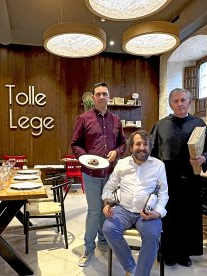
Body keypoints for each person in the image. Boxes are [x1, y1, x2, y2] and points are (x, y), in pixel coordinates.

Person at [150, 88, 207, 267]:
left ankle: (185, 253)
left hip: (190, 178)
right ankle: (167, 252)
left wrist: (204, 158)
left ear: (189, 102)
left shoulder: (198, 123)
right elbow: (151, 152)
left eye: (183, 100)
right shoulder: (160, 125)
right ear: (170, 104)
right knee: (168, 216)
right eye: (176, 101)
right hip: (167, 179)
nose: (180, 104)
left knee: (188, 217)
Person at [71, 82, 126, 267]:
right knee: (94, 211)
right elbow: (75, 144)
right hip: (91, 173)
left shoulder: (116, 121)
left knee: (107, 210)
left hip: (111, 173)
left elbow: (123, 144)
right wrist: (84, 157)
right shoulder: (83, 118)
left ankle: (103, 242)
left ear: (109, 96)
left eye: (105, 93)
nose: (102, 97)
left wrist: (117, 152)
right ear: (93, 98)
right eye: (98, 94)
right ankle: (88, 249)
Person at [102, 130, 169, 276]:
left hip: (147, 213)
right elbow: (109, 187)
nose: (142, 147)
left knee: (152, 235)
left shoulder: (158, 165)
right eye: (138, 144)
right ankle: (131, 267)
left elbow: (164, 193)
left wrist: (157, 213)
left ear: (150, 148)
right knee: (108, 229)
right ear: (131, 147)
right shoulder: (122, 164)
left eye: (146, 144)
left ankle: (141, 274)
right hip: (123, 210)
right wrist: (108, 203)